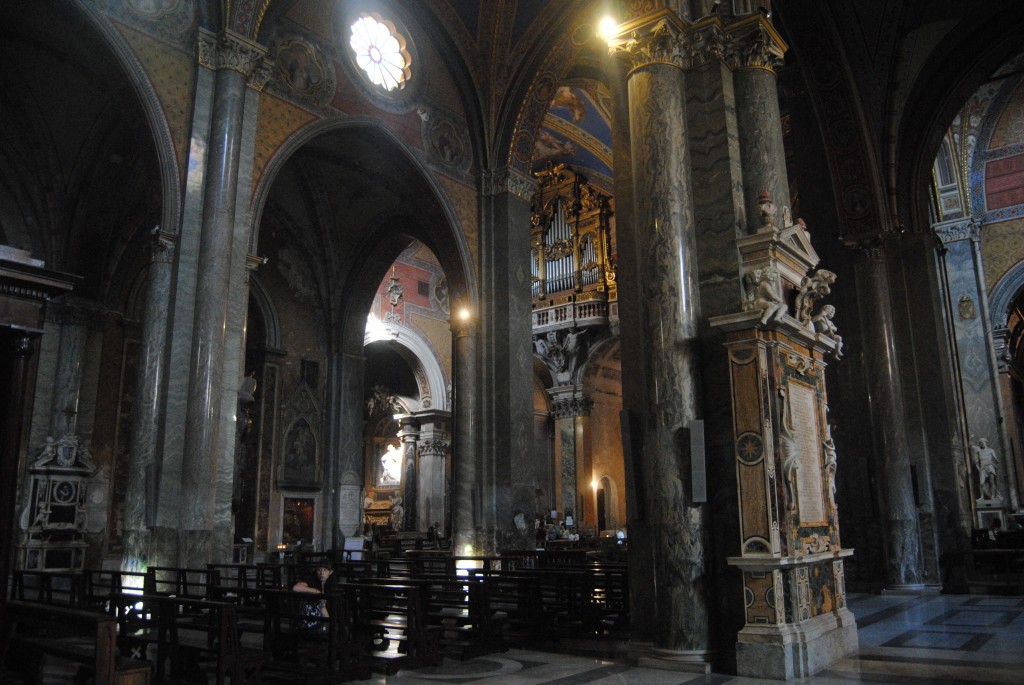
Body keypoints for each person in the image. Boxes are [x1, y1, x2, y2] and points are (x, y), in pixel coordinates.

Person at [292, 562, 334, 633]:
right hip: (310, 617)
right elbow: (296, 588)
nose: (321, 573)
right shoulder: (311, 580)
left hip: (324, 616)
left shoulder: (331, 585)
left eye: (325, 570)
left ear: (330, 572)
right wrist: (316, 591)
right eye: (319, 570)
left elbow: (324, 610)